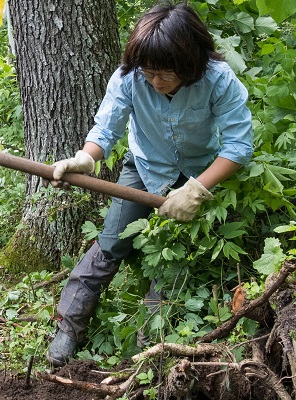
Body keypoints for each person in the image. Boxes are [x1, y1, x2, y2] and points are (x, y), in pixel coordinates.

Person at [45, 3, 253, 367]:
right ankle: (68, 328)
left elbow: (238, 145)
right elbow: (106, 129)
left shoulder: (218, 79)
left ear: (190, 62)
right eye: (149, 73)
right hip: (143, 168)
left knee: (175, 260)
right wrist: (86, 158)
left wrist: (195, 190)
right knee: (111, 242)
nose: (155, 82)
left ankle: (150, 344)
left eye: (165, 74)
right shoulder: (129, 77)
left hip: (198, 175)